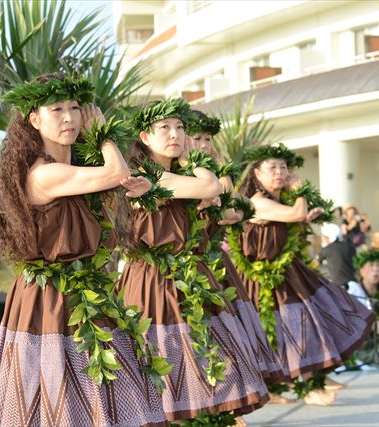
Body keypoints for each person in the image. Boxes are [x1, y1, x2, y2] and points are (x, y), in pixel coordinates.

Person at [0, 73, 169, 427]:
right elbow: (116, 172)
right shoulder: (43, 174)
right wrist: (101, 132)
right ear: (35, 120)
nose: (69, 117)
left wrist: (139, 187)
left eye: (75, 108)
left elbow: (118, 183)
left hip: (87, 292)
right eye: (57, 109)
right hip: (49, 300)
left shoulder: (73, 170)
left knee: (106, 392)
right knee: (56, 398)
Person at [114, 99, 268, 424]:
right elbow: (210, 186)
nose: (175, 134)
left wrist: (195, 169)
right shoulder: (144, 176)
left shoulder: (178, 177)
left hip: (190, 275)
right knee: (163, 357)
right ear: (145, 137)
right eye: (165, 128)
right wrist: (193, 160)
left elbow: (230, 205)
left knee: (209, 353)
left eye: (180, 128)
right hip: (152, 279)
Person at [230, 143, 374, 406]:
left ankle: (303, 382)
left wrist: (308, 214)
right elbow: (296, 213)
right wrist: (300, 193)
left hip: (285, 271)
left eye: (283, 167)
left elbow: (298, 216)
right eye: (272, 167)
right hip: (259, 278)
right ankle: (304, 387)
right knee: (283, 330)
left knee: (310, 319)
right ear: (257, 174)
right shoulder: (257, 201)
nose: (279, 172)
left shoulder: (279, 200)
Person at [187, 109, 285, 388]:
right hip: (185, 264)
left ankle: (228, 396)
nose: (203, 145)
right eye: (196, 138)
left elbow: (231, 214)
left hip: (214, 262)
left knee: (228, 335)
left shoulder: (218, 174)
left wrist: (222, 184)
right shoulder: (175, 173)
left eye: (208, 139)